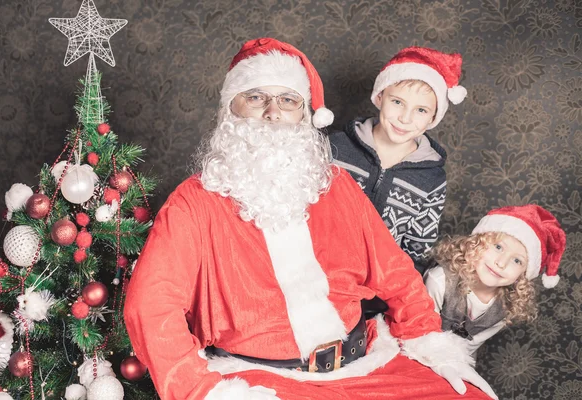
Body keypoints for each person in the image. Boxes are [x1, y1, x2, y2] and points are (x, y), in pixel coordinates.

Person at [124, 38, 497, 400]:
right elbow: (151, 306)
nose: (273, 112)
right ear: (230, 109)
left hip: (366, 364)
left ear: (303, 114)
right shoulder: (194, 202)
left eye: (288, 100)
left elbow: (396, 273)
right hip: (261, 380)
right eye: (256, 97)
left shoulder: (334, 183)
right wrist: (201, 389)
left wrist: (428, 342)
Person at [329, 47, 467, 275]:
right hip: (316, 280)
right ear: (380, 96)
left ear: (433, 118)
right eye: (397, 102)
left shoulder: (431, 178)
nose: (405, 118)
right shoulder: (335, 148)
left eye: (421, 110)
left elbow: (417, 251)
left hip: (377, 293)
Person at [425, 205, 566, 357]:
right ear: (475, 243)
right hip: (418, 350)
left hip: (459, 360)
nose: (501, 263)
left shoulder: (506, 307)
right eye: (498, 247)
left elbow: (470, 346)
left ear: (523, 275)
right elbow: (420, 330)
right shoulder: (439, 280)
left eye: (517, 261)